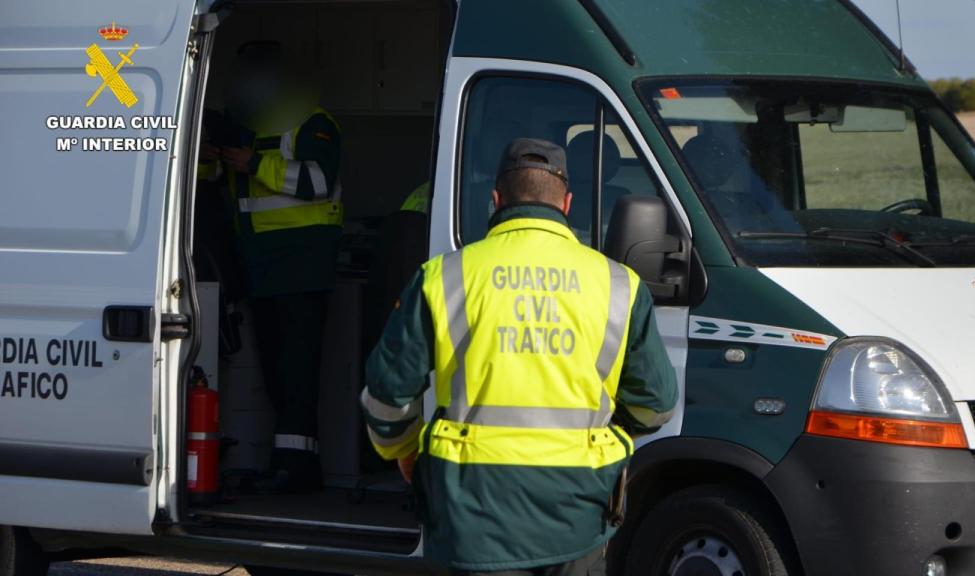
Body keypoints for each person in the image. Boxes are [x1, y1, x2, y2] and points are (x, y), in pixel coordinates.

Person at [361, 138, 677, 574]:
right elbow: (655, 405)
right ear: (566, 204)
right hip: (578, 519)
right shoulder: (618, 285)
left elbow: (387, 394)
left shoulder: (443, 277)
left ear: (495, 199)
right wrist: (605, 439)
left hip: (471, 518)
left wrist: (403, 450)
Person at [200, 41, 343, 492]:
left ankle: (298, 470)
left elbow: (317, 182)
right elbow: (230, 191)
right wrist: (211, 163)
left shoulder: (314, 122)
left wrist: (255, 162)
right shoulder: (248, 126)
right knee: (276, 373)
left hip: (301, 267)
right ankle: (285, 463)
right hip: (261, 268)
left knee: (298, 371)